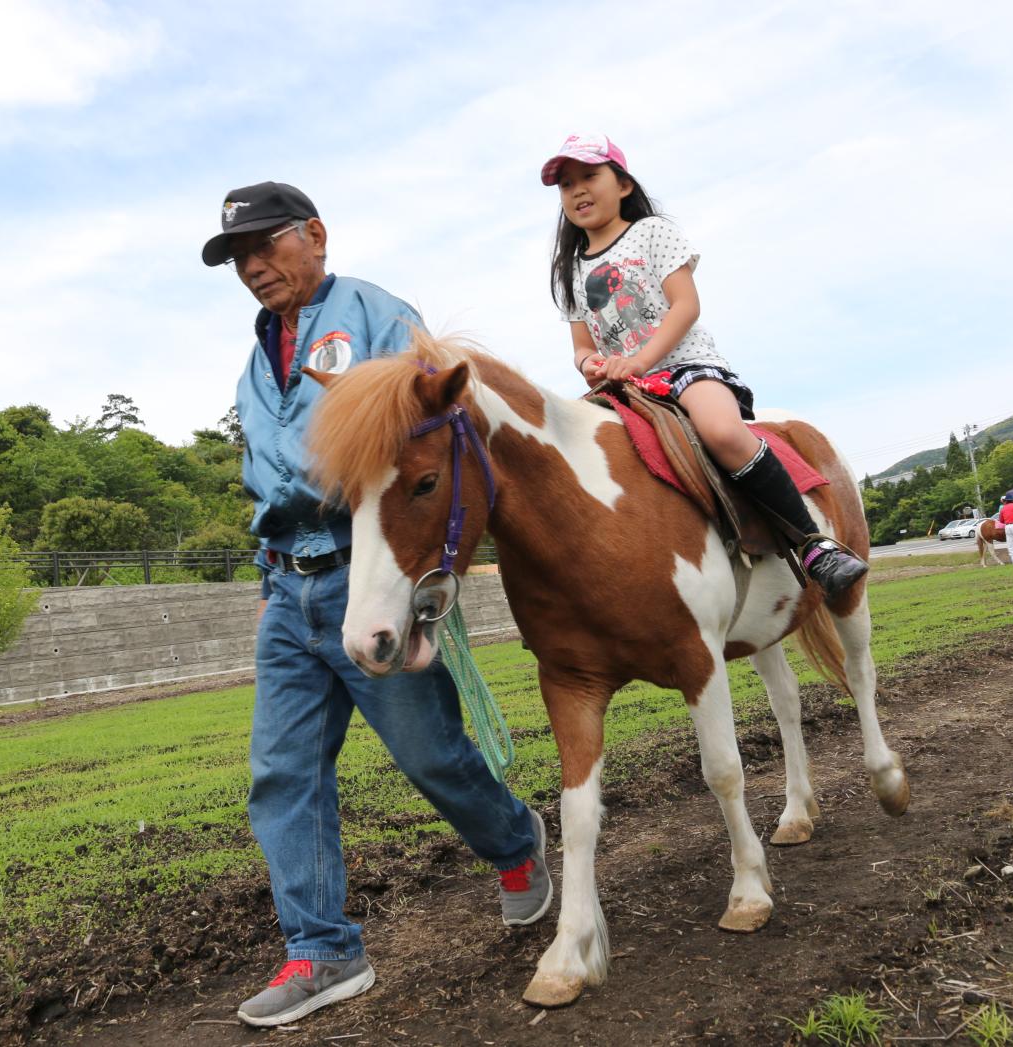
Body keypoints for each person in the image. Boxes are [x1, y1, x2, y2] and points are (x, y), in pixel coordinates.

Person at [202, 182, 551, 1027]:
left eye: (266, 245)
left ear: (314, 235)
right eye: (237, 257)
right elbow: (264, 480)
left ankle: (514, 842)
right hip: (288, 588)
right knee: (281, 772)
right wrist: (266, 582)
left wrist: (423, 577)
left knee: (431, 755)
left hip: (372, 571)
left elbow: (427, 441)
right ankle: (322, 951)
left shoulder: (377, 316)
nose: (252, 266)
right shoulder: (255, 364)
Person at [541, 133, 866, 596]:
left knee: (722, 432)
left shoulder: (654, 232)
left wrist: (639, 360)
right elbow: (580, 345)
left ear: (624, 185)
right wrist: (591, 363)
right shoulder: (571, 268)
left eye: (590, 176)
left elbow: (685, 305)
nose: (577, 190)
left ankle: (814, 545)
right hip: (622, 387)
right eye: (566, 184)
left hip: (684, 367)